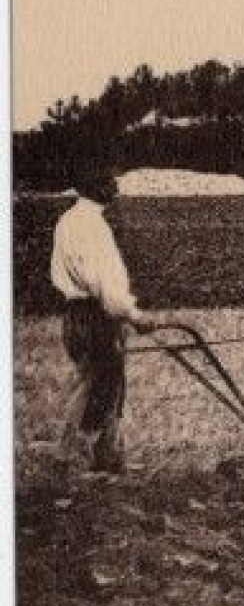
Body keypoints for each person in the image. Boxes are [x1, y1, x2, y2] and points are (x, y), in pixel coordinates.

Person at [50, 165, 158, 473]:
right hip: (95, 314)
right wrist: (133, 313)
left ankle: (107, 457)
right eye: (110, 180)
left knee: (105, 382)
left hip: (82, 314)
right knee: (101, 383)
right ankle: (73, 456)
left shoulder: (70, 220)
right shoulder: (89, 226)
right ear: (94, 185)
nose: (117, 186)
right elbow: (101, 283)